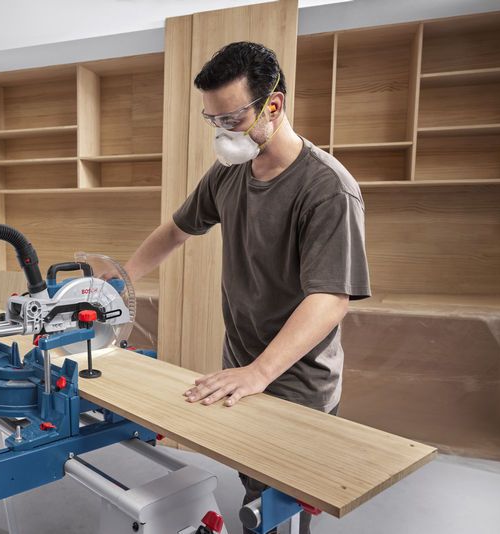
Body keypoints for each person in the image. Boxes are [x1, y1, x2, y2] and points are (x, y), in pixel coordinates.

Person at [121, 42, 371, 534]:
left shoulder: (327, 189)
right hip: (243, 365)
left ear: (272, 106)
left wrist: (259, 373)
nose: (221, 132)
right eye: (212, 120)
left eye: (231, 119)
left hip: (296, 378)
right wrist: (119, 280)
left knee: (280, 506)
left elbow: (330, 299)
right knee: (252, 491)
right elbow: (177, 230)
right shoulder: (230, 172)